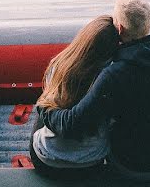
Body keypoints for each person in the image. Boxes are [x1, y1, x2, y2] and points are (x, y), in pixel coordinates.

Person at [38, 0, 150, 180]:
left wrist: (44, 109)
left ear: (119, 28)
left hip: (133, 166)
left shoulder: (113, 74)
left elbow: (73, 124)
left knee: (51, 105)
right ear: (149, 25)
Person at [29, 14, 119, 178]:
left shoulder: (59, 65)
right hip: (91, 164)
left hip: (47, 162)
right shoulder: (111, 78)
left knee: (46, 103)